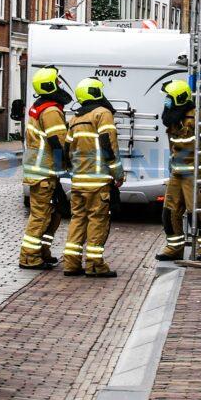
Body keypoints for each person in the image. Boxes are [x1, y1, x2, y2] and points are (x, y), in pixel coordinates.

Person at [62, 77, 125, 278]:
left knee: (78, 220)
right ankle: (95, 265)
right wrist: (117, 173)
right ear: (96, 93)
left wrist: (72, 170)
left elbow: (66, 150)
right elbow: (109, 146)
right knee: (97, 221)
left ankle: (71, 263)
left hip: (78, 181)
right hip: (98, 182)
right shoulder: (103, 114)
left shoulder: (75, 118)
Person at [156, 80, 201, 262]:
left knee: (197, 213)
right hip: (177, 173)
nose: (166, 101)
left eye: (169, 97)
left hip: (195, 174)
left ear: (178, 98)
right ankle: (174, 247)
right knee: (169, 211)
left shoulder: (198, 118)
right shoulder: (174, 119)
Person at [19, 66, 72, 270]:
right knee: (40, 216)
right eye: (56, 81)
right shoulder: (51, 111)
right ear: (50, 86)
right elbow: (58, 142)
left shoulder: (42, 107)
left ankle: (43, 251)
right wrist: (70, 162)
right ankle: (29, 258)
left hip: (42, 170)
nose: (59, 84)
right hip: (44, 172)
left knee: (54, 214)